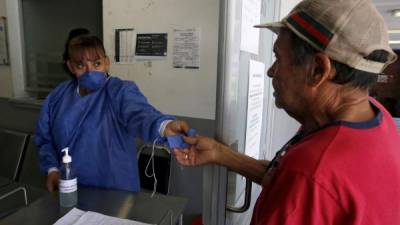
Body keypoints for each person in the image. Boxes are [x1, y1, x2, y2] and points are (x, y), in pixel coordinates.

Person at [174, 0, 400, 224]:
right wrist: (220, 153)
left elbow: (303, 179)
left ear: (318, 70)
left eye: (278, 58)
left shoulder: (313, 172)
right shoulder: (374, 116)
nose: (271, 72)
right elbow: (284, 178)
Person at [36, 34, 189, 193]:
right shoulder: (57, 97)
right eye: (81, 65)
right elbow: (45, 139)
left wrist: (164, 126)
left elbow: (139, 113)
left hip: (115, 191)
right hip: (69, 188)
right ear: (71, 67)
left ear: (107, 63)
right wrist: (52, 169)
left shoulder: (120, 91)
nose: (90, 72)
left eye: (97, 63)